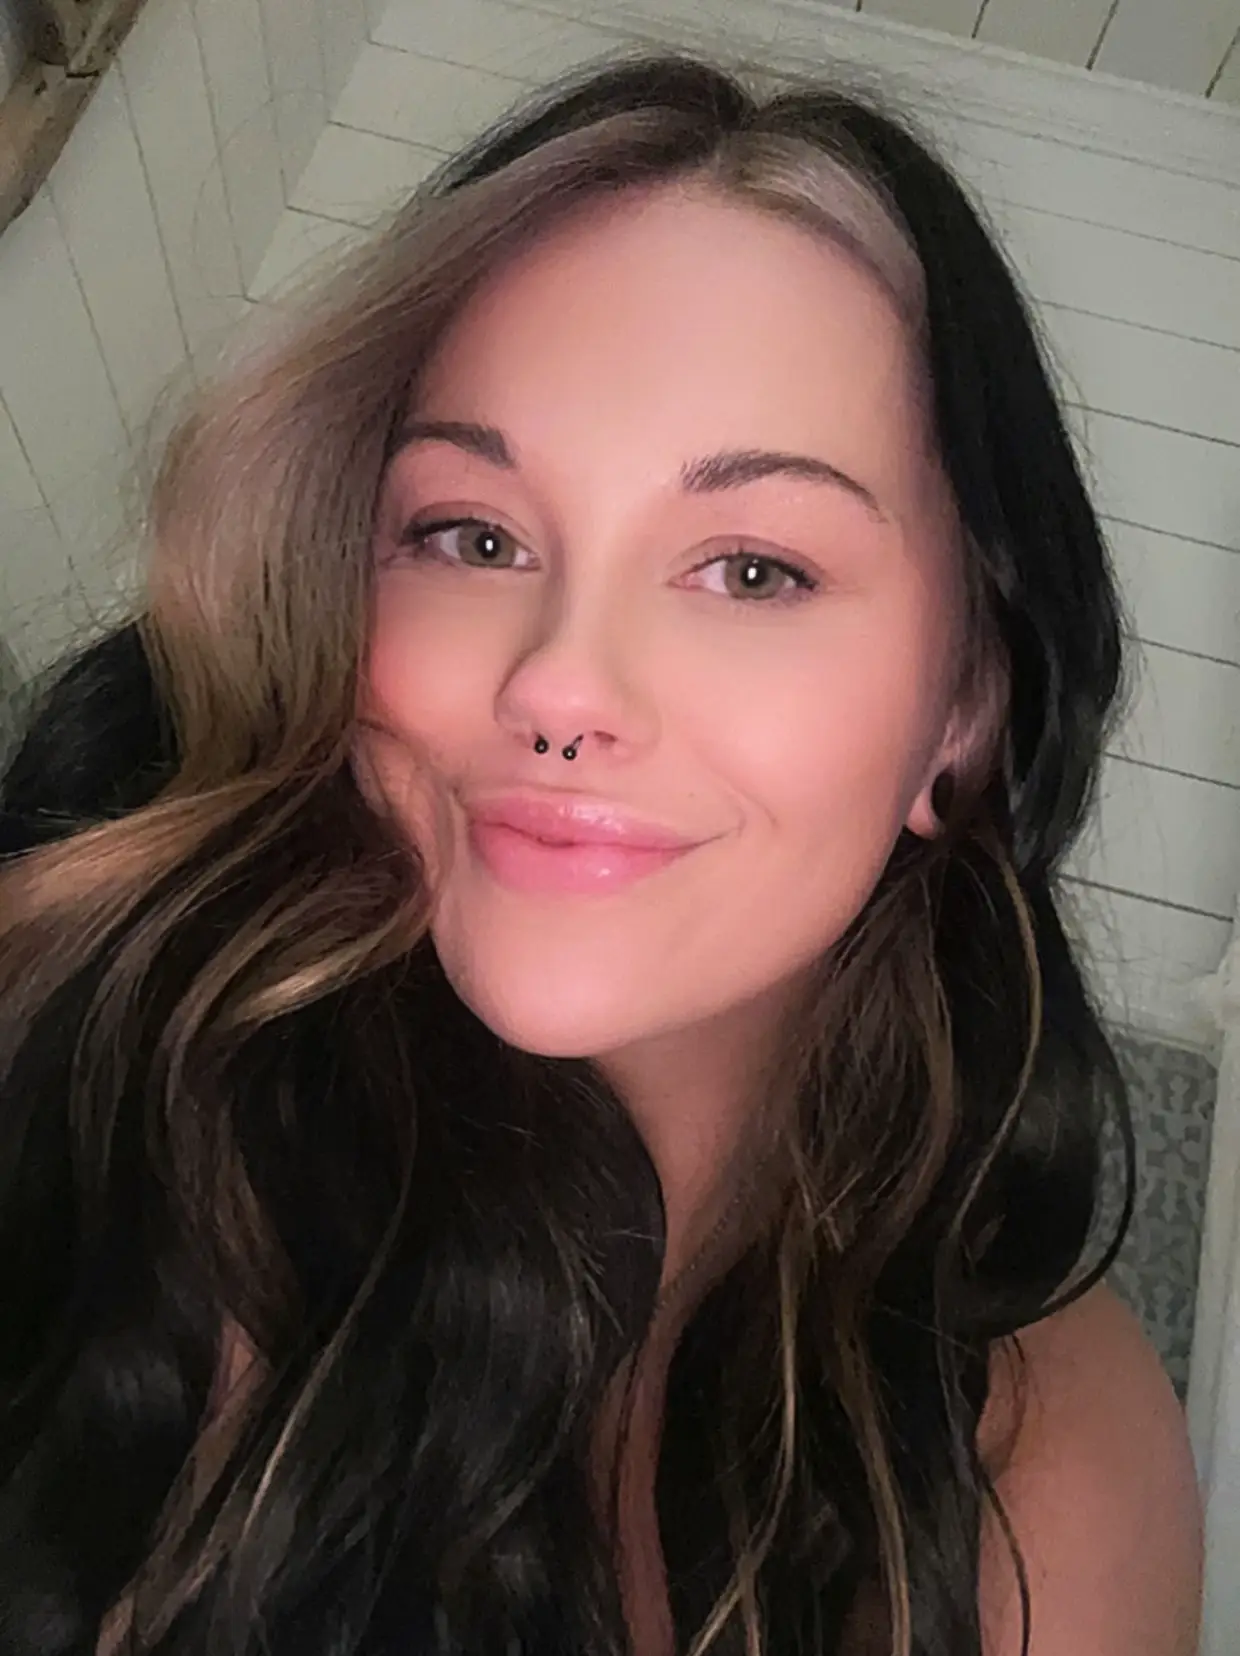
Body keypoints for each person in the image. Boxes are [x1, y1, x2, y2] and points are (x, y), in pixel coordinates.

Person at [0, 51, 1201, 1656]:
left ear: (965, 712)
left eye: (753, 570)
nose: (559, 684)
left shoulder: (1037, 1437)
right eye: (474, 537)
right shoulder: (80, 1047)